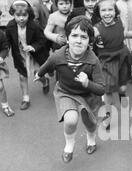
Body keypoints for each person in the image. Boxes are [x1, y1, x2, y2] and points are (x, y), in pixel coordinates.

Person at [35, 16, 106, 163]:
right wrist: (39, 74)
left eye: (84, 37)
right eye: (74, 35)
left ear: (89, 41)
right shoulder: (58, 56)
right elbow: (47, 65)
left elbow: (101, 89)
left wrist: (88, 83)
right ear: (67, 38)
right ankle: (69, 145)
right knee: (71, 120)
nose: (78, 40)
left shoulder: (93, 61)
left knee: (90, 123)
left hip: (88, 95)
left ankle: (91, 139)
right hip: (66, 92)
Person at [93, 0, 132, 129]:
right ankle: (107, 115)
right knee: (108, 91)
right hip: (107, 61)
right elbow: (92, 47)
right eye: (103, 10)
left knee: (122, 87)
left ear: (115, 11)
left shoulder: (120, 22)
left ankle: (122, 93)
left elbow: (123, 35)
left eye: (110, 9)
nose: (107, 13)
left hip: (122, 57)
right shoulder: (96, 29)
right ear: (98, 13)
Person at [6, 0, 50, 110]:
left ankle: (45, 82)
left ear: (28, 14)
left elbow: (42, 39)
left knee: (38, 74)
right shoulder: (10, 26)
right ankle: (26, 99)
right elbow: (7, 41)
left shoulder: (34, 25)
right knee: (22, 76)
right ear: (13, 14)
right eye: (18, 15)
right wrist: (5, 51)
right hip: (20, 55)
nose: (21, 18)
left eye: (24, 15)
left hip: (35, 55)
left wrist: (33, 47)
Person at [0, 11, 14, 117]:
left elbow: (5, 47)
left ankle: (5, 106)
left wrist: (1, 57)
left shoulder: (1, 34)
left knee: (0, 87)